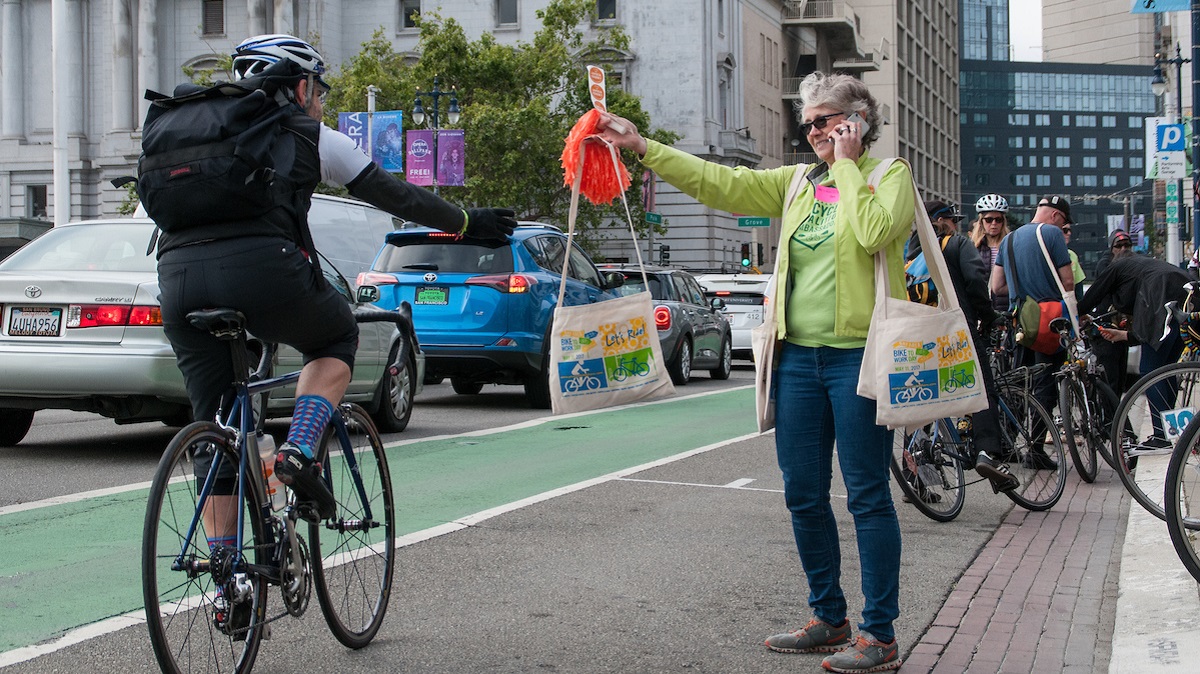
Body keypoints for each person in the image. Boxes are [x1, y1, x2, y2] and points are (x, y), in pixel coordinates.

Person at [595, 72, 906, 673]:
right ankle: (828, 616)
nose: (815, 131)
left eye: (827, 120)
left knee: (867, 495)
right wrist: (643, 146)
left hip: (859, 357)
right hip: (795, 358)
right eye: (808, 122)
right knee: (802, 492)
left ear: (858, 121)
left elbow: (872, 232)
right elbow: (723, 184)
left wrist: (846, 163)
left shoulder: (885, 176)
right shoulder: (795, 184)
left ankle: (880, 635)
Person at [156, 35, 517, 526]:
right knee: (336, 335)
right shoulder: (308, 135)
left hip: (178, 282)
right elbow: (393, 194)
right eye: (320, 91)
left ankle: (226, 589)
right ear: (300, 86)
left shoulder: (187, 134)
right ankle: (301, 448)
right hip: (266, 271)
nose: (322, 102)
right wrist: (467, 222)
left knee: (216, 432)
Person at [906, 201, 1017, 493]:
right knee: (981, 389)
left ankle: (920, 477)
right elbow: (976, 282)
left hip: (918, 337)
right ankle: (987, 453)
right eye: (953, 219)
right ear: (944, 221)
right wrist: (988, 317)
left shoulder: (909, 252)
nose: (957, 224)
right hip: (956, 332)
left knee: (923, 403)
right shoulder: (956, 244)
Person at [990, 195, 1077, 470]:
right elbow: (1068, 281)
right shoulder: (1051, 234)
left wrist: (1021, 288)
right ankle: (1036, 449)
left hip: (1019, 322)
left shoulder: (1009, 239)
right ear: (1054, 216)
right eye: (1063, 221)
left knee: (1018, 382)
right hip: (1047, 321)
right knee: (1045, 385)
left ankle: (1006, 444)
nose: (1063, 228)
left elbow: (997, 287)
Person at [1078, 244, 1192, 444]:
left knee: (1150, 371)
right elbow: (1149, 333)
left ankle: (1160, 436)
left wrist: (1075, 314)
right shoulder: (1146, 267)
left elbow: (1094, 293)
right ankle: (1169, 429)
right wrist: (1123, 335)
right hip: (1186, 294)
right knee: (1167, 370)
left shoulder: (1117, 267)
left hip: (1162, 296)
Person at [1091, 230, 1134, 393]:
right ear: (1111, 248)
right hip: (1106, 328)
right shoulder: (1106, 264)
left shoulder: (1130, 262)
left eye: (1127, 245)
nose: (1123, 249)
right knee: (1110, 381)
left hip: (1122, 329)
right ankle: (1111, 417)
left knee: (1120, 381)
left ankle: (1117, 415)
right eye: (1119, 245)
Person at [970, 193, 1012, 313]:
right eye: (989, 220)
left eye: (998, 220)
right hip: (982, 308)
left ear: (1003, 222)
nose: (994, 224)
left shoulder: (1010, 246)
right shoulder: (973, 248)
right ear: (981, 221)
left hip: (1006, 307)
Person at [1062, 223, 1085, 301]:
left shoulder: (1072, 255)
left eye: (1069, 230)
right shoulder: (1044, 254)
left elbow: (1078, 289)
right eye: (1065, 230)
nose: (1069, 233)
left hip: (1069, 306)